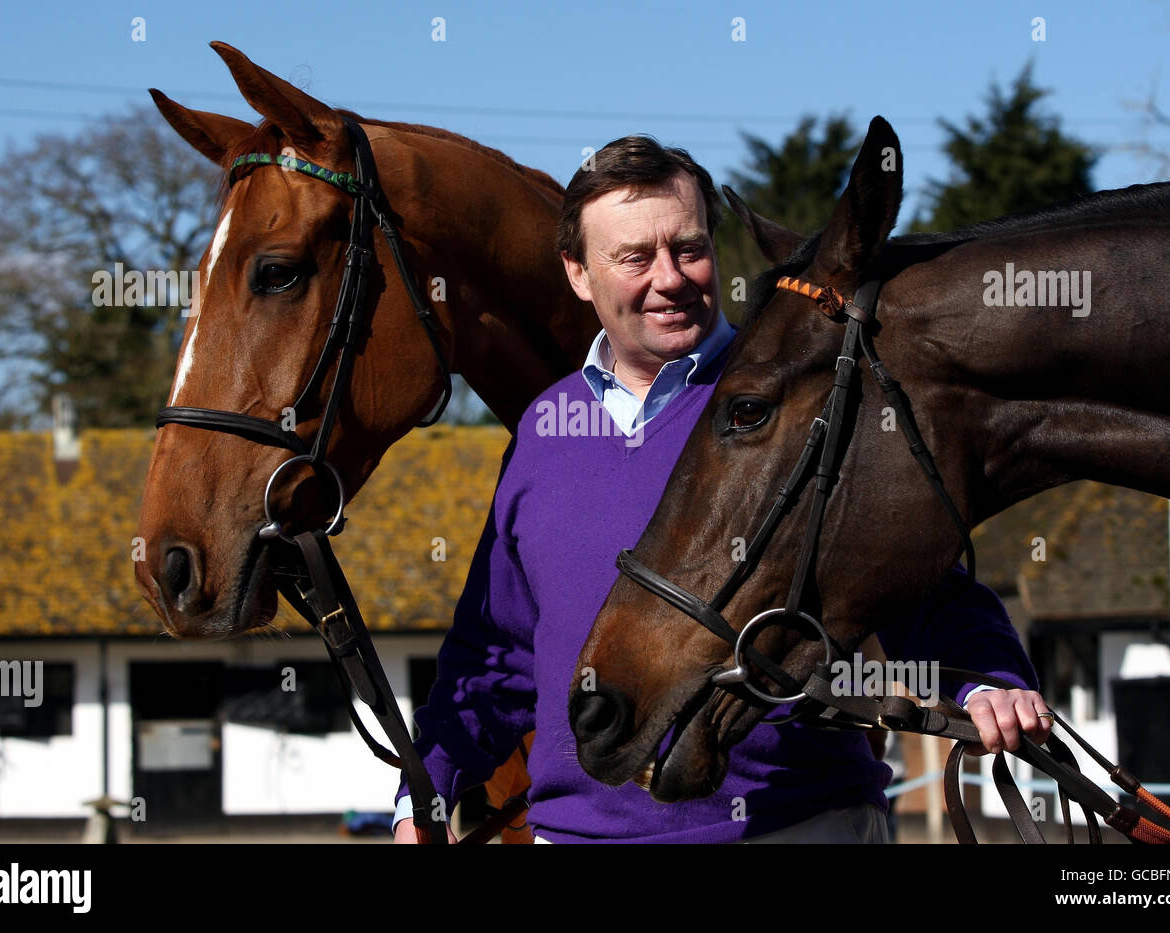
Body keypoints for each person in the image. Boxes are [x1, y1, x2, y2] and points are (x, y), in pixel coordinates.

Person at [393, 136, 1051, 843]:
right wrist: (420, 798)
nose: (670, 278)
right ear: (579, 273)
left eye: (689, 247)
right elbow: (497, 654)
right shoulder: (544, 433)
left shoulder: (798, 397)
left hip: (798, 824)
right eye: (635, 257)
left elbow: (919, 581)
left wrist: (984, 680)